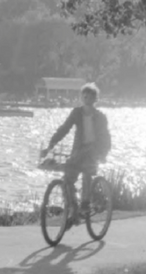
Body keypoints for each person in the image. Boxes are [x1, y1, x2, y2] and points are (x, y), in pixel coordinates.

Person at [41, 83, 111, 218]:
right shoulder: (76, 113)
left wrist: (103, 154)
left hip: (93, 151)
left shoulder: (100, 117)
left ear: (95, 99)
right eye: (84, 97)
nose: (87, 99)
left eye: (90, 97)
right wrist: (50, 146)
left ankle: (85, 204)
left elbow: (106, 137)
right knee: (68, 178)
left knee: (86, 173)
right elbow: (64, 129)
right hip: (78, 151)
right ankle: (73, 209)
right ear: (81, 98)